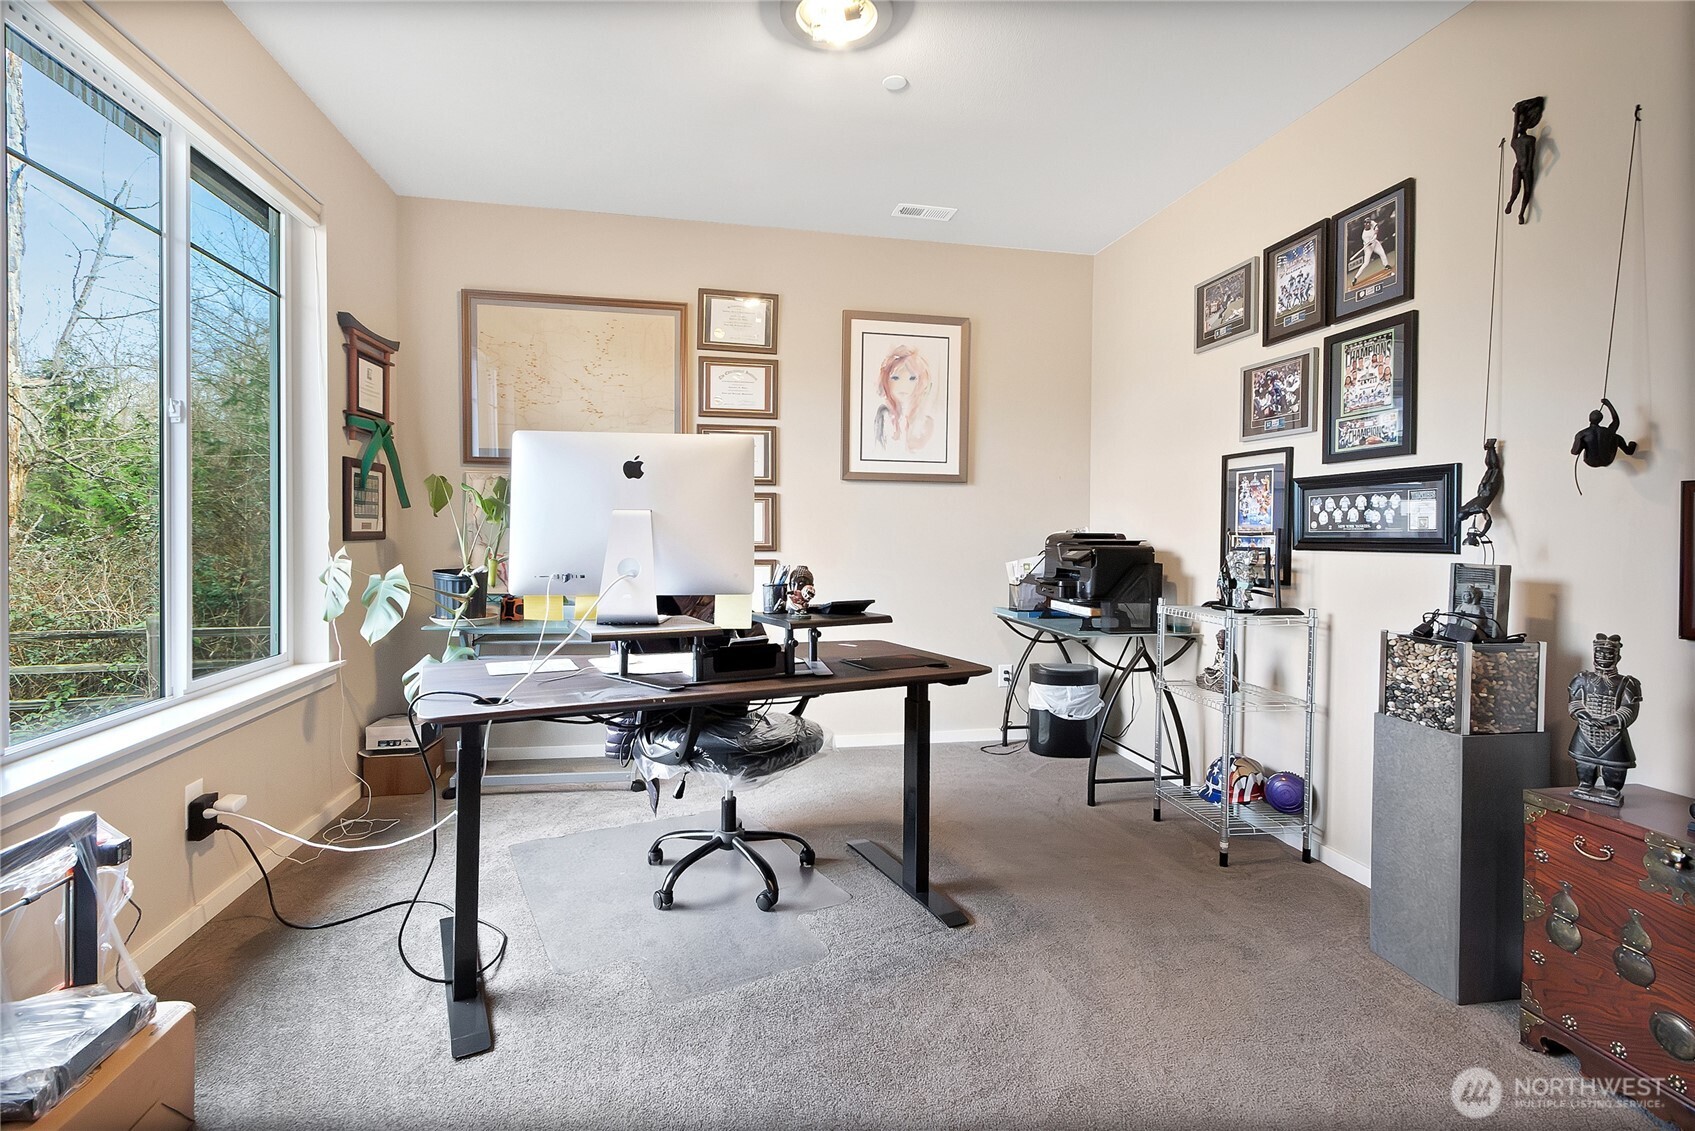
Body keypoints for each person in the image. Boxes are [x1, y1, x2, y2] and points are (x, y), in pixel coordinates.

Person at [1568, 633, 1642, 806]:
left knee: (1614, 767)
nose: (1603, 657)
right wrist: (1585, 716)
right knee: (1584, 765)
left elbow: (1629, 708)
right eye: (1599, 653)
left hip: (1614, 735)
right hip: (1586, 732)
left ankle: (1612, 789)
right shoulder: (1582, 678)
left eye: (1609, 654)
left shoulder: (1628, 682)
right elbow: (1575, 701)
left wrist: (1611, 720)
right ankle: (1585, 784)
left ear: (1618, 657)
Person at [871, 345, 936, 455]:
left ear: (920, 381)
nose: (903, 385)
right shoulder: (883, 416)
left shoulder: (926, 422)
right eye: (895, 378)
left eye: (912, 378)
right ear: (886, 381)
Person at [1353, 215, 1390, 284]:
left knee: (1382, 253)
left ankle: (1386, 265)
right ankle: (1355, 278)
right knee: (1366, 263)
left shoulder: (1372, 222)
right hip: (1368, 247)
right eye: (1366, 223)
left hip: (1375, 243)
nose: (1368, 224)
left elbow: (1376, 228)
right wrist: (1371, 241)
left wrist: (1375, 234)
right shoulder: (1364, 235)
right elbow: (1369, 243)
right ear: (1364, 225)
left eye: (1369, 223)